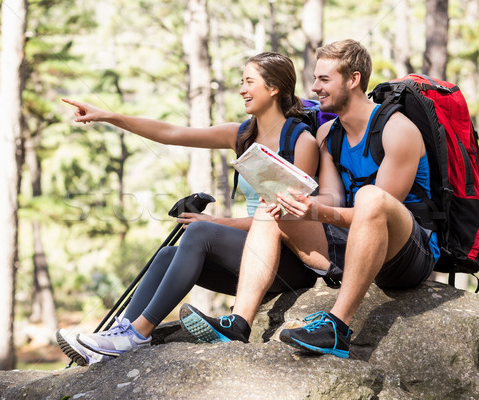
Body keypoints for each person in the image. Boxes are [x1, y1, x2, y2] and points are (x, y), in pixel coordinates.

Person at [179, 39, 439, 359]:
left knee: (372, 197)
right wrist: (302, 205)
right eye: (315, 78)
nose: (314, 88)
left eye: (324, 79)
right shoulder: (328, 134)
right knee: (273, 204)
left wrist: (321, 213)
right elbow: (333, 197)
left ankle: (337, 328)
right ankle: (239, 323)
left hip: (406, 253)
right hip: (352, 246)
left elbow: (376, 213)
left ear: (353, 79)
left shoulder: (397, 130)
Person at [56, 52, 320, 366]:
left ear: (274, 87)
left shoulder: (302, 144)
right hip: (249, 256)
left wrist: (217, 222)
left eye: (249, 82)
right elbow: (171, 134)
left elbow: (285, 220)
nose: (241, 90)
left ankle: (138, 334)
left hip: (286, 263)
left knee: (201, 231)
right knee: (168, 254)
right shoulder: (243, 135)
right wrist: (107, 116)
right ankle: (116, 338)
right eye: (241, 82)